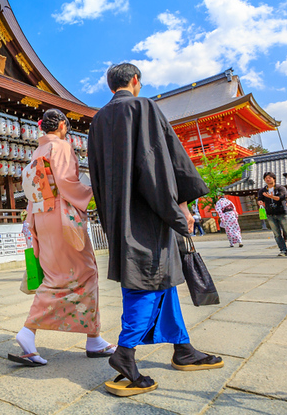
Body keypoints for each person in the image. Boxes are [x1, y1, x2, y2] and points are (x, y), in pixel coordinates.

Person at [87, 63, 223, 397]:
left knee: (160, 280)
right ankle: (125, 352)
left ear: (110, 86)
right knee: (146, 280)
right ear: (135, 82)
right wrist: (180, 208)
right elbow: (160, 160)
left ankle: (183, 347)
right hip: (149, 210)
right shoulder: (143, 106)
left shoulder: (98, 121)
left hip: (120, 213)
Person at [9, 108, 115, 368]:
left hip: (40, 216)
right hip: (61, 215)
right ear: (63, 126)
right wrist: (94, 192)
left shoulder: (37, 152)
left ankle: (93, 337)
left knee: (57, 273)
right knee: (85, 272)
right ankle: (29, 331)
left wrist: (30, 221)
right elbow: (68, 183)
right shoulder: (62, 146)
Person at [257, 172, 287, 257]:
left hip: (281, 213)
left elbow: (281, 198)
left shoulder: (280, 188)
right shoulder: (262, 190)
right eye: (266, 178)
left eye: (269, 177)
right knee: (277, 234)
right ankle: (283, 250)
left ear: (274, 178)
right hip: (270, 214)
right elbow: (260, 199)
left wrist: (270, 197)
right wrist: (260, 202)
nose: (268, 179)